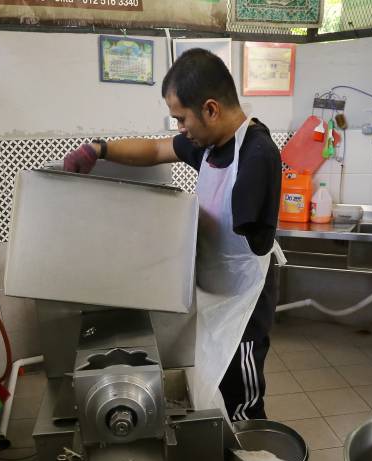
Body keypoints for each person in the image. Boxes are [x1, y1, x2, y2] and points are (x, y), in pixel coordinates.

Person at [63, 48, 281, 421]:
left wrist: (160, 231)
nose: (179, 128)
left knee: (243, 393)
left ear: (211, 109)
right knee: (215, 378)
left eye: (181, 118)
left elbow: (234, 229)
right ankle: (221, 445)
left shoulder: (257, 155)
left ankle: (251, 452)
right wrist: (99, 149)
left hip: (245, 299)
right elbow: (155, 149)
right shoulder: (211, 145)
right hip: (216, 290)